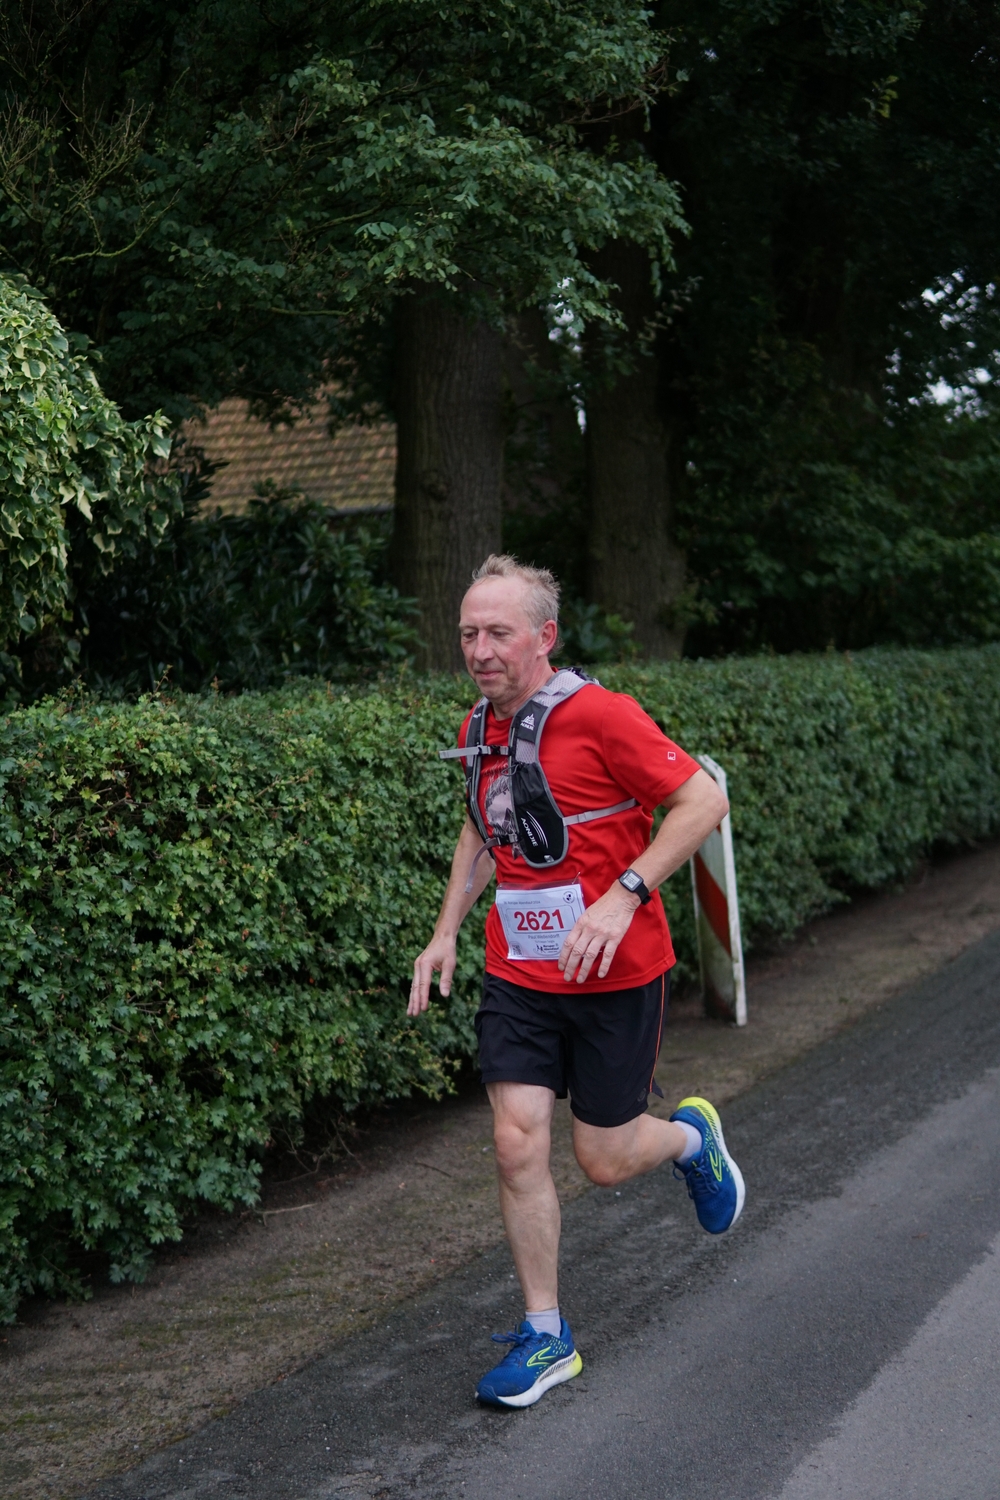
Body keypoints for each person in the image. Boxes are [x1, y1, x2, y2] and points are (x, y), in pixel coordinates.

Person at [407, 555, 745, 1409]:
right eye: (468, 633)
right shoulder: (480, 725)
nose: (479, 650)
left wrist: (624, 896)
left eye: (498, 633)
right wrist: (445, 932)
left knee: (603, 1158)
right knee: (515, 1142)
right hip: (519, 973)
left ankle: (691, 1141)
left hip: (613, 974)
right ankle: (547, 1336)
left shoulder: (601, 715)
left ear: (544, 636)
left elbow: (703, 801)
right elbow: (483, 831)